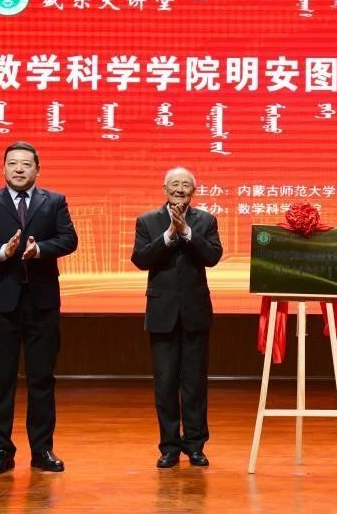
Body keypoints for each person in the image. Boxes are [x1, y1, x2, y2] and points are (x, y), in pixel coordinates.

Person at [0, 141, 78, 476]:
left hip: (42, 303)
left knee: (42, 379)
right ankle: (1, 450)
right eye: (12, 163)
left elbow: (69, 239)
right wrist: (1, 251)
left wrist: (39, 250)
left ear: (37, 169)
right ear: (4, 168)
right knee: (0, 381)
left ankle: (42, 450)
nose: (19, 169)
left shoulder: (54, 201)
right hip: (2, 304)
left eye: (26, 163)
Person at [131, 167, 223, 468]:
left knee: (194, 384)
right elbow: (140, 259)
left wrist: (187, 234)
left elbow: (213, 256)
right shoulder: (147, 221)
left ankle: (195, 445)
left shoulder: (206, 221)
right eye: (174, 184)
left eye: (186, 185)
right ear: (165, 188)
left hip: (195, 311)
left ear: (193, 191)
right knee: (166, 383)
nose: (180, 189)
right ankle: (169, 446)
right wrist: (169, 235)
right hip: (162, 313)